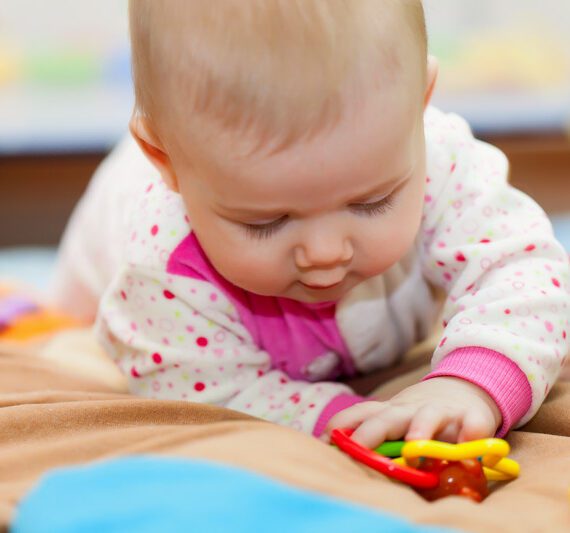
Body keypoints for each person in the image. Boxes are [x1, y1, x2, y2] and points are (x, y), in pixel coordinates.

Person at [51, 0, 570, 448]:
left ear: (420, 104)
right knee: (66, 322)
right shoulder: (160, 269)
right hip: (109, 229)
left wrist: (473, 381)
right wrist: (336, 419)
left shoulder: (439, 158)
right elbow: (198, 386)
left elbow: (524, 273)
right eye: (266, 221)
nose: (326, 252)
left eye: (372, 202)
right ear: (166, 161)